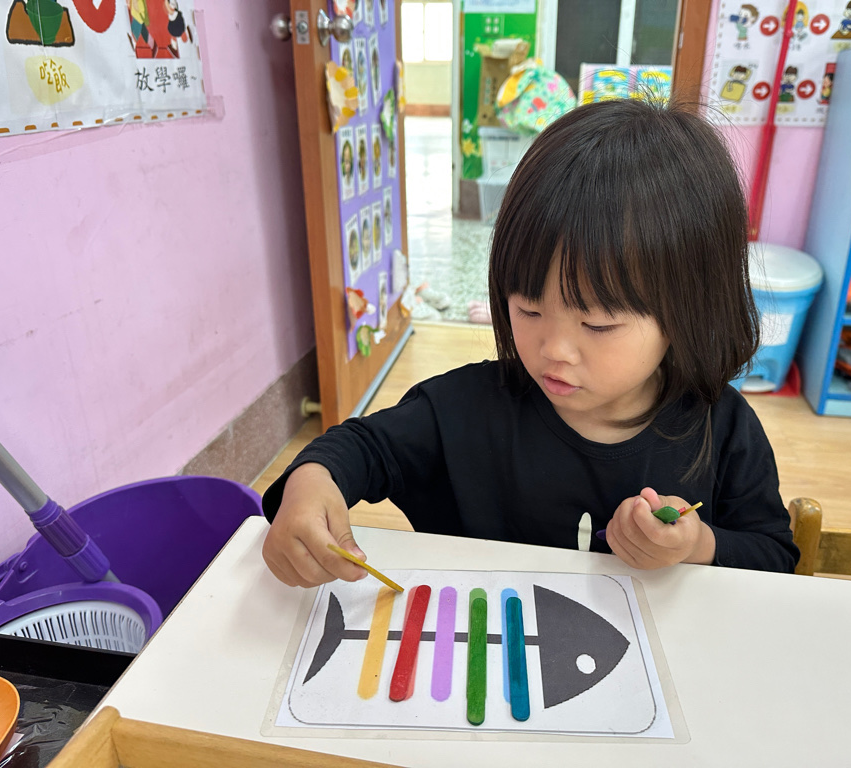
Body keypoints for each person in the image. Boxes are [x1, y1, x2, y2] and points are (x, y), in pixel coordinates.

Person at [261, 98, 800, 588]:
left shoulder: (722, 429)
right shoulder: (465, 408)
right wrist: (311, 483)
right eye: (529, 309)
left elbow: (775, 557)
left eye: (597, 324)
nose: (554, 349)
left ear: (689, 309)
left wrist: (699, 545)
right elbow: (360, 447)